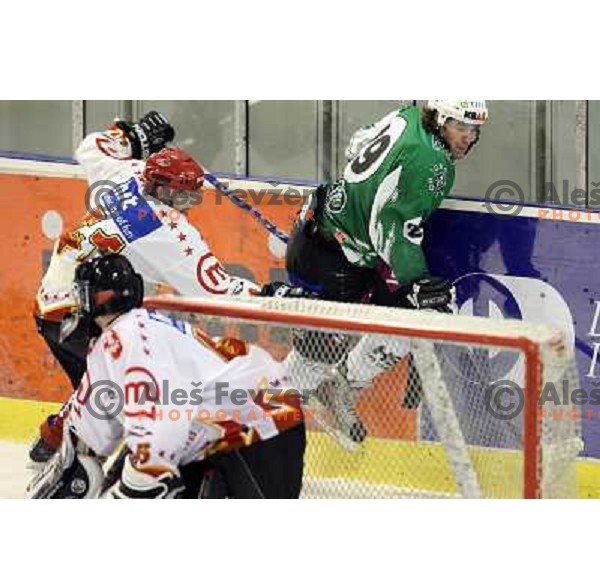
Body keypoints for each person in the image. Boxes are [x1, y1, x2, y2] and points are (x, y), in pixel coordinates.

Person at [31, 111, 265, 466]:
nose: (188, 204)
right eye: (183, 196)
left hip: (49, 304)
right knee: (122, 393)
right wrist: (270, 295)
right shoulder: (167, 227)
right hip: (89, 314)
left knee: (98, 390)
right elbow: (215, 289)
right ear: (166, 191)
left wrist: (133, 136)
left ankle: (50, 444)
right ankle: (95, 466)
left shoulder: (128, 173)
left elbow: (91, 147)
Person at [284, 101, 489, 442]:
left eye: (474, 129)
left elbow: (356, 145)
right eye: (460, 127)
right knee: (315, 358)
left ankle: (340, 386)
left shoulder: (407, 115)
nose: (468, 137)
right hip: (331, 259)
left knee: (409, 319)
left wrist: (364, 196)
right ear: (440, 119)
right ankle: (257, 423)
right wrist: (415, 281)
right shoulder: (434, 163)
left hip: (326, 234)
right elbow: (387, 226)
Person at [27, 254, 306, 499]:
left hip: (262, 417)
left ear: (97, 298)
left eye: (82, 294)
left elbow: (163, 415)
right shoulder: (109, 345)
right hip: (211, 431)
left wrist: (143, 480)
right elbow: (87, 441)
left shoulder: (130, 337)